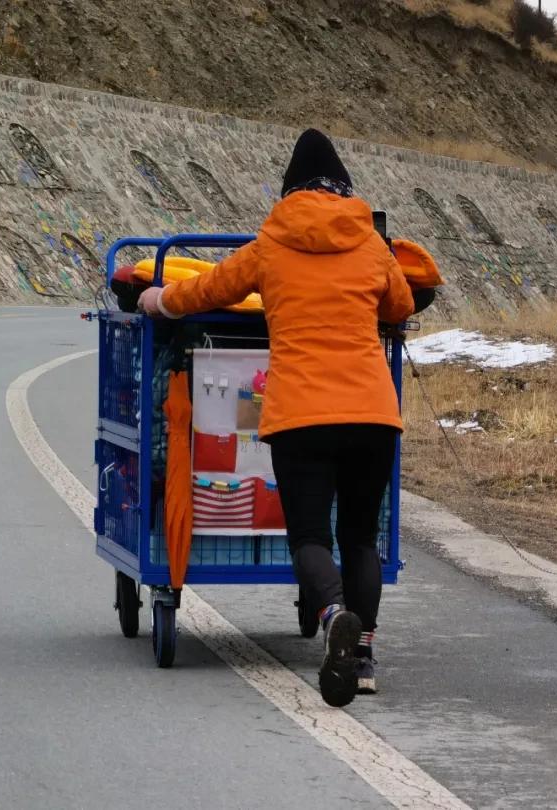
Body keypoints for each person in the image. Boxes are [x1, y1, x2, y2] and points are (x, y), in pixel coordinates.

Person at [139, 129, 428, 707]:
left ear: (289, 191)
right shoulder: (371, 243)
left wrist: (158, 301)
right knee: (361, 536)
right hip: (372, 413)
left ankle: (331, 614)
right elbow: (399, 304)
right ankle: (363, 655)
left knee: (310, 535)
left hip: (301, 417)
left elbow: (210, 289)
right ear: (344, 189)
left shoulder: (272, 242)